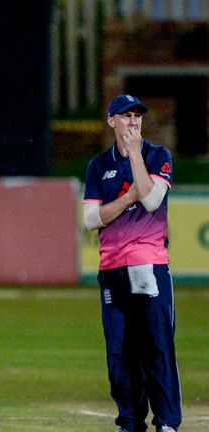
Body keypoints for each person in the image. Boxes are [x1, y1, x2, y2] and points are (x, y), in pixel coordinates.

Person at [83, 94, 181, 432]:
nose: (133, 122)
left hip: (149, 266)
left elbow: (152, 200)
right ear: (111, 121)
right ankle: (130, 420)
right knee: (120, 354)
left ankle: (167, 421)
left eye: (137, 116)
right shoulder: (98, 166)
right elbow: (91, 219)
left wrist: (136, 156)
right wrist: (126, 198)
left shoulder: (157, 155)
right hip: (112, 269)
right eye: (125, 116)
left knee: (156, 346)